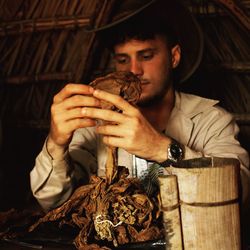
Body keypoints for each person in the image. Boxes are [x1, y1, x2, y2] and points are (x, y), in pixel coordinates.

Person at [30, 0, 250, 213]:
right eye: (123, 60)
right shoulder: (96, 123)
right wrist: (56, 144)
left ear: (174, 57)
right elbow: (53, 202)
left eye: (146, 56)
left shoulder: (211, 120)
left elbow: (240, 193)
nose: (134, 70)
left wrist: (162, 148)